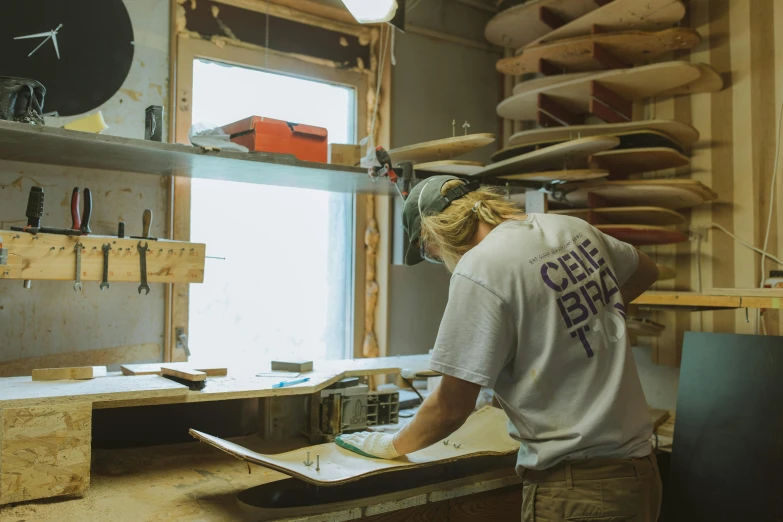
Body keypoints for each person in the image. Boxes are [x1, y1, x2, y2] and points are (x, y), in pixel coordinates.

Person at [337, 175, 662, 521]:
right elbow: (645, 271)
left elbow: (449, 408)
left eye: (428, 253)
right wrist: (583, 315)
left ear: (433, 234)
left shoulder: (479, 269)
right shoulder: (570, 228)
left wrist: (392, 445)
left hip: (576, 490)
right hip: (639, 473)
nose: (437, 260)